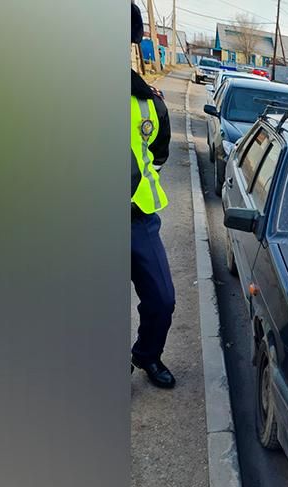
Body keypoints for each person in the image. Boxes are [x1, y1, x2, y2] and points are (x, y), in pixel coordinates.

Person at [131, 3, 176, 388]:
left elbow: (158, 155)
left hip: (138, 218)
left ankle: (146, 355)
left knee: (162, 299)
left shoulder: (148, 102)